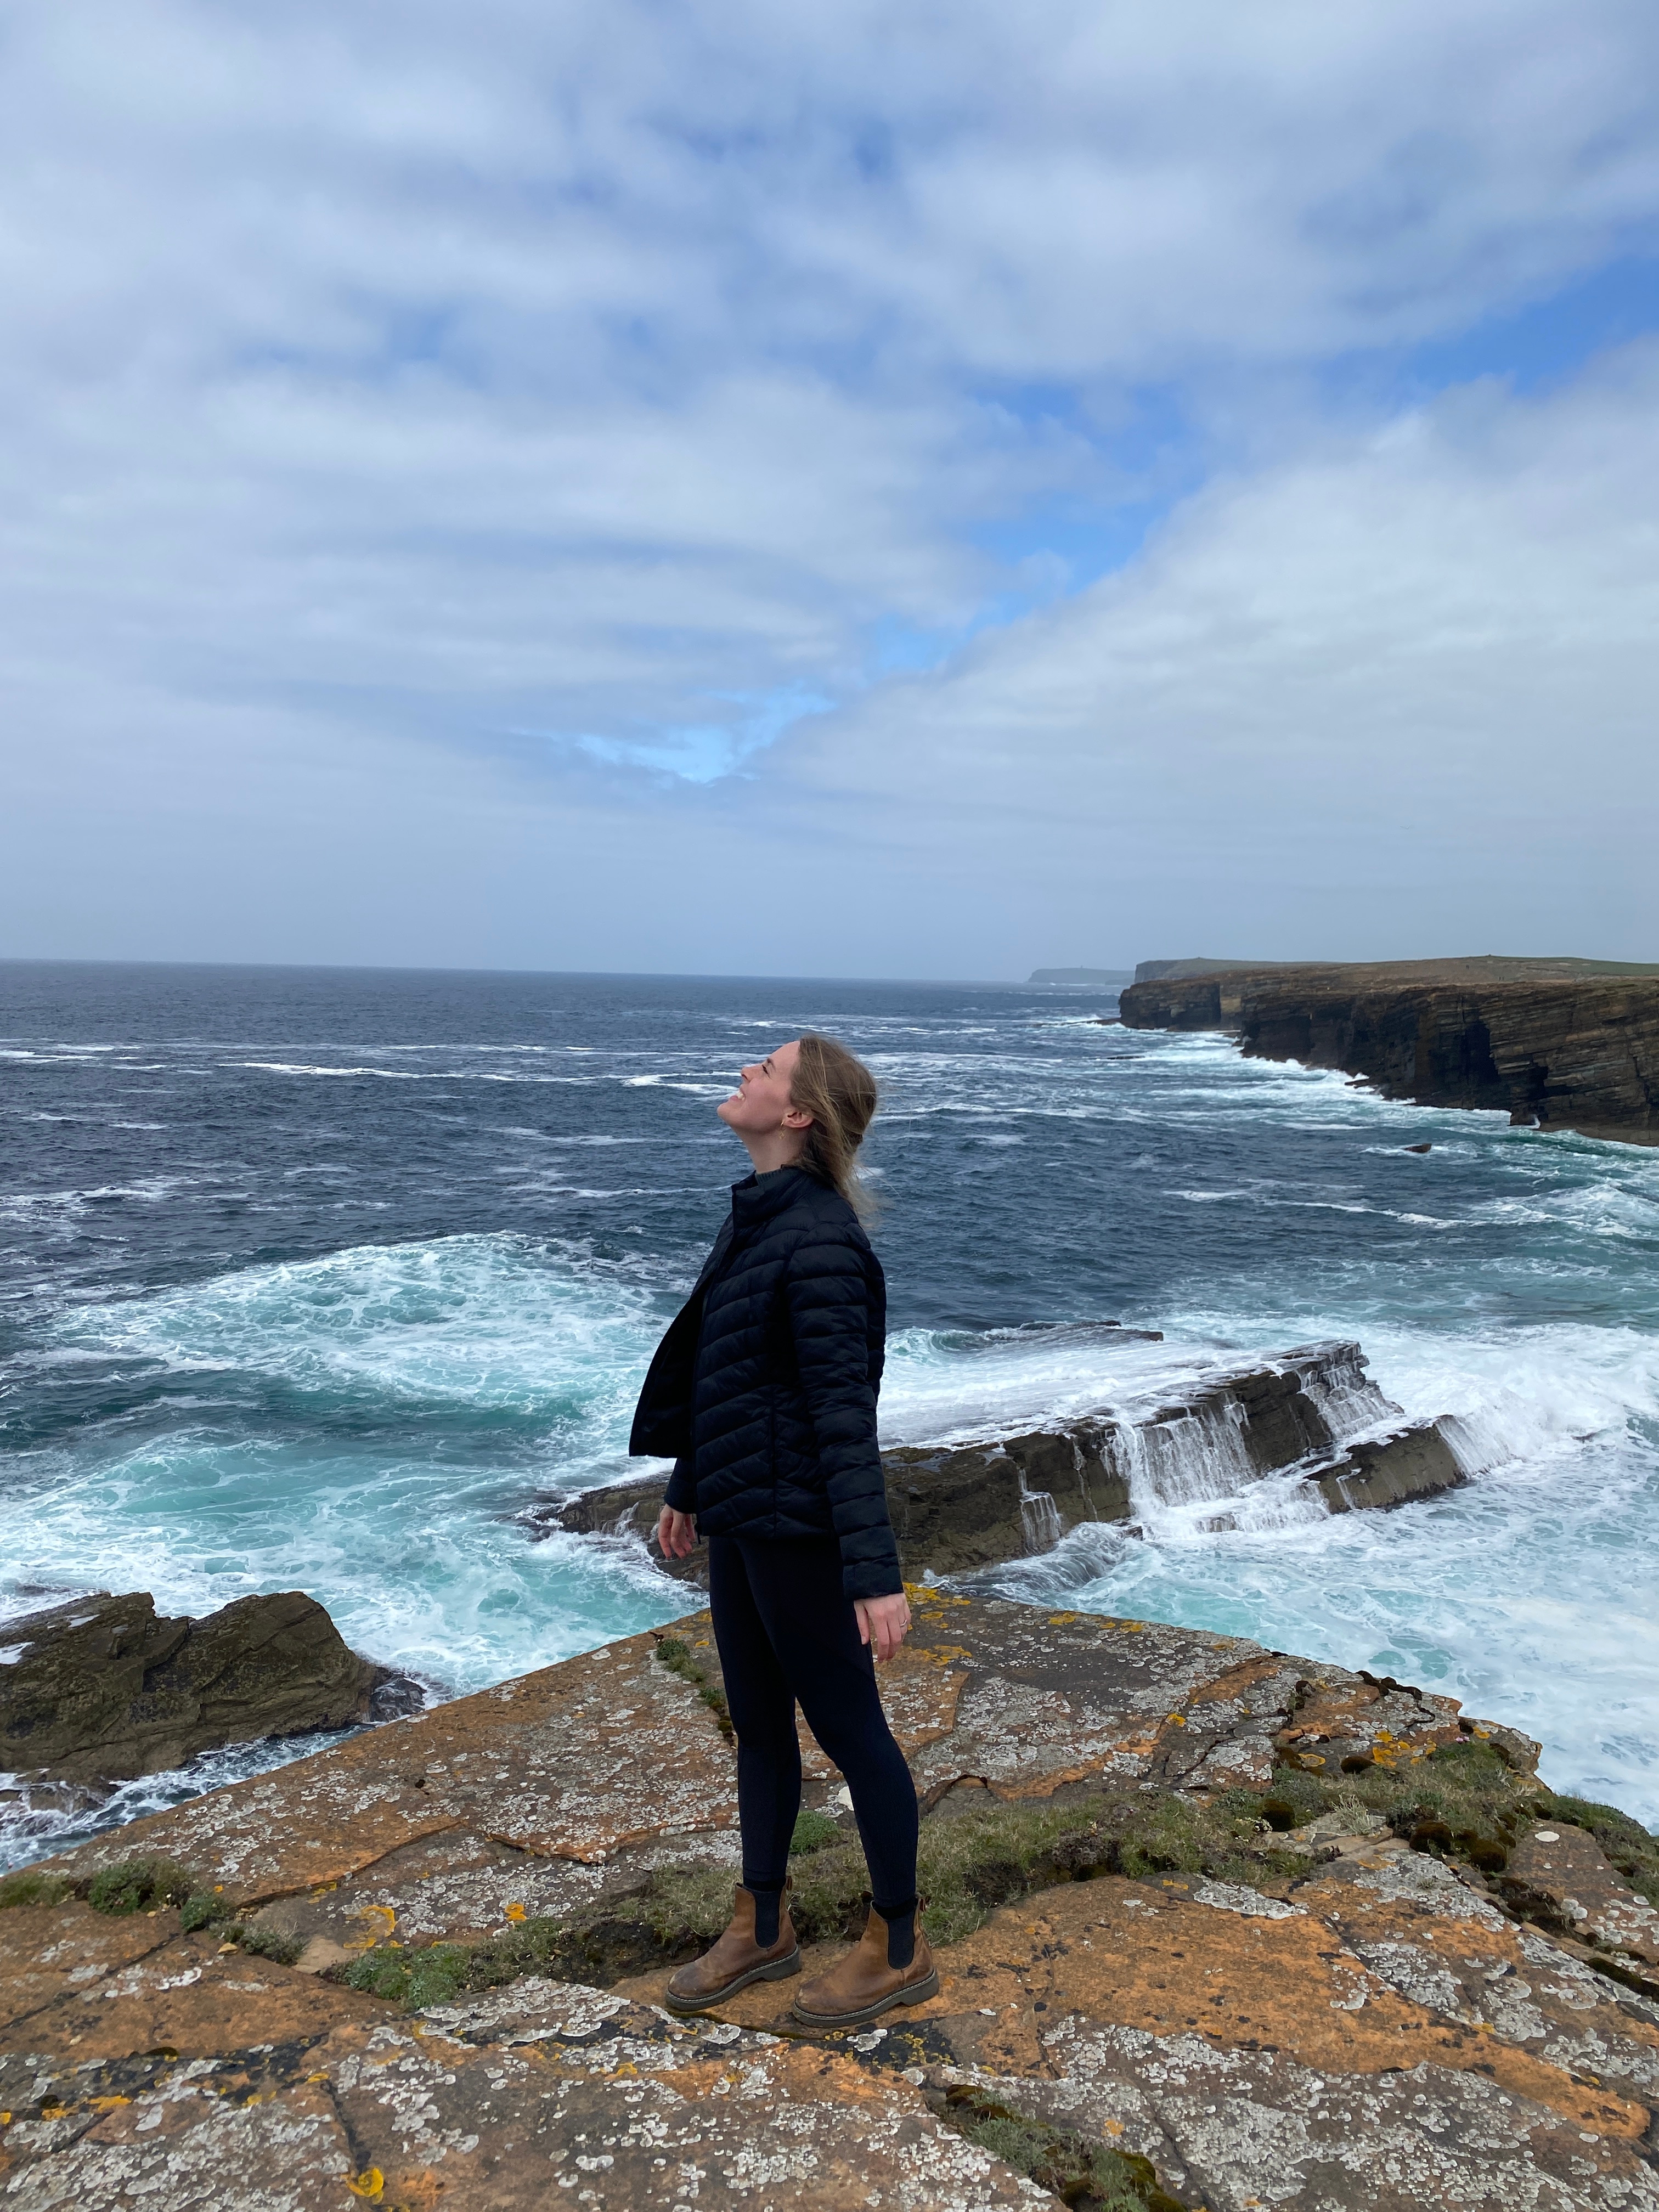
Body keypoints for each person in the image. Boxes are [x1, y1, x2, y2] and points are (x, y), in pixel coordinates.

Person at [628, 1032, 935, 2029]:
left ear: (799, 1114)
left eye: (765, 1070)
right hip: (744, 1518)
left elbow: (842, 1416)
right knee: (760, 1728)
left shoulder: (824, 1246)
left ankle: (899, 1944)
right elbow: (731, 1373)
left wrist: (873, 1572)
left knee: (853, 1736)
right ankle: (762, 1923)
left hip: (801, 1530)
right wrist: (691, 1483)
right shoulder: (760, 1215)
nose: (745, 1074)